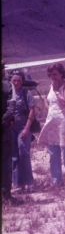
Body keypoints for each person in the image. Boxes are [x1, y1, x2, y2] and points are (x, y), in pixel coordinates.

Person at [37, 63, 65, 187]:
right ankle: (56, 181)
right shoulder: (51, 86)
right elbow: (51, 105)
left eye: (55, 74)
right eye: (50, 75)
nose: (53, 77)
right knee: (53, 154)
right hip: (51, 123)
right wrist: (45, 103)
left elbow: (64, 102)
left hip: (63, 123)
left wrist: (57, 90)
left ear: (61, 73)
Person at [9, 70, 36, 192]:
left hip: (23, 128)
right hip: (10, 129)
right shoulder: (9, 94)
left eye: (18, 80)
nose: (16, 83)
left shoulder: (26, 93)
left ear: (22, 81)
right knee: (14, 156)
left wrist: (27, 128)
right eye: (14, 80)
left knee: (23, 152)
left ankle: (29, 182)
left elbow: (32, 110)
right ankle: (17, 184)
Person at [2, 66, 23, 205]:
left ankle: (6, 195)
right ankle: (6, 195)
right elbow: (11, 107)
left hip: (4, 130)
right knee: (5, 163)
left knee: (5, 163)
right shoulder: (7, 86)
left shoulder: (7, 86)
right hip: (4, 128)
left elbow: (11, 106)